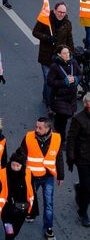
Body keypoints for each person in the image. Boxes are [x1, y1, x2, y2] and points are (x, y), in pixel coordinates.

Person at [19, 117, 63, 240]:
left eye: (40, 128)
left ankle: (48, 229)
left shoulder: (56, 139)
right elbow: (21, 153)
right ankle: (31, 214)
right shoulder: (28, 137)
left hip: (48, 176)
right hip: (32, 175)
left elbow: (59, 158)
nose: (36, 129)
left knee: (48, 203)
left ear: (48, 128)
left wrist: (61, 175)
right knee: (30, 197)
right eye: (36, 127)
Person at [32, 2, 74, 111]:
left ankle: (46, 96)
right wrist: (47, 37)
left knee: (52, 81)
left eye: (64, 13)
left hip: (59, 58)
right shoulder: (45, 20)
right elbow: (35, 32)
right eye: (60, 12)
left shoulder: (67, 24)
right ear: (54, 10)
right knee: (48, 81)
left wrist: (71, 55)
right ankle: (49, 105)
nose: (61, 14)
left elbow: (69, 39)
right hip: (46, 57)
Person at [0, 150, 34, 239]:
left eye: (17, 166)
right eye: (13, 165)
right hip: (7, 211)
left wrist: (32, 211)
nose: (14, 167)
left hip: (22, 209)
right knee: (9, 234)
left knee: (15, 232)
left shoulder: (28, 174)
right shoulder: (2, 173)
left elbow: (32, 192)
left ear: (22, 166)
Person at [47, 45, 80, 143]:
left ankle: (56, 119)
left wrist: (76, 79)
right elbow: (50, 81)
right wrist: (64, 82)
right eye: (64, 53)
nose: (67, 55)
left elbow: (80, 74)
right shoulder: (55, 66)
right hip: (59, 97)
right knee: (63, 120)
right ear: (59, 54)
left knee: (68, 115)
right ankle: (62, 139)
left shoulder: (73, 62)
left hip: (71, 96)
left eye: (68, 53)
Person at [66, 91, 90, 227]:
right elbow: (71, 139)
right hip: (83, 158)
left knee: (86, 187)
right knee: (88, 188)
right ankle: (83, 212)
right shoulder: (78, 119)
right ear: (86, 105)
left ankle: (79, 188)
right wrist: (71, 157)